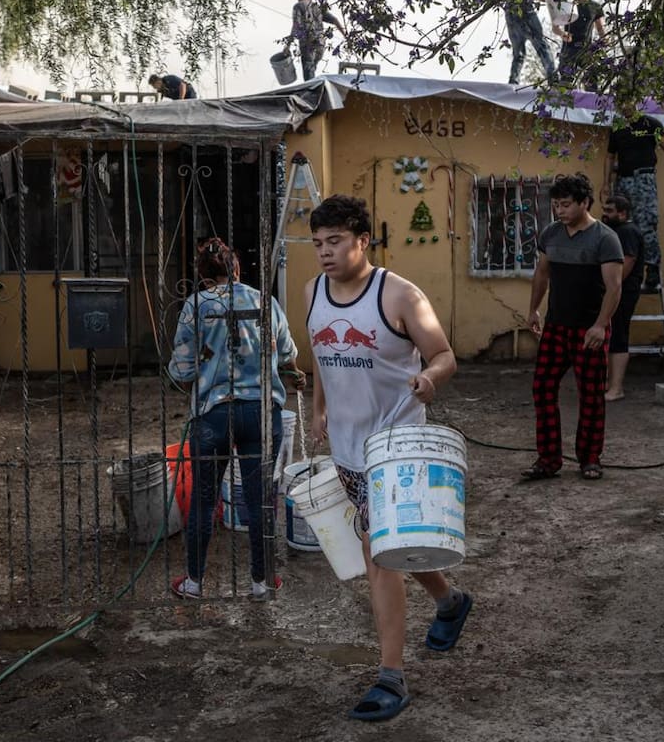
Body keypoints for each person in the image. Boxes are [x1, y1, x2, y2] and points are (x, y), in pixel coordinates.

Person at [305, 195, 471, 722]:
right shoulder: (312, 292)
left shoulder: (398, 294)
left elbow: (444, 354)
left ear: (362, 241)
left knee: (378, 552)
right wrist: (318, 409)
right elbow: (321, 355)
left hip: (396, 448)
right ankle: (450, 602)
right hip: (347, 449)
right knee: (392, 544)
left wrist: (430, 377)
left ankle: (390, 678)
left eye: (335, 242)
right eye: (317, 243)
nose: (325, 252)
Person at [168, 238, 304, 600]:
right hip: (261, 412)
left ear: (202, 277)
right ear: (238, 269)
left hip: (213, 413)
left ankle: (194, 582)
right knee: (260, 500)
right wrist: (291, 372)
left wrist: (205, 375)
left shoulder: (196, 305)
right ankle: (262, 582)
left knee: (203, 500)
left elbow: (182, 371)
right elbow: (287, 354)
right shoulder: (264, 302)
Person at [523, 174, 623, 482]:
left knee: (591, 395)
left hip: (589, 329)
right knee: (542, 387)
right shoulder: (551, 234)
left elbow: (614, 287)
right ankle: (548, 459)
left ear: (584, 203)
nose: (560, 211)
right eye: (556, 205)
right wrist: (533, 309)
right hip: (556, 326)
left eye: (566, 205)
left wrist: (600, 326)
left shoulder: (605, 238)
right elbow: (542, 273)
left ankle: (590, 458)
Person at [600, 107, 664, 292]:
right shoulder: (617, 127)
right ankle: (624, 270)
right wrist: (605, 183)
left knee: (646, 224)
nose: (625, 106)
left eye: (628, 100)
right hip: (623, 180)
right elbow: (609, 156)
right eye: (621, 102)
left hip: (643, 179)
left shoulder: (651, 124)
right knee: (620, 224)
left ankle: (652, 272)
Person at [601, 194, 644, 402]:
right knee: (611, 335)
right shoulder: (617, 231)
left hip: (623, 291)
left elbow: (628, 260)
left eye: (610, 211)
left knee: (618, 334)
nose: (605, 214)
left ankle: (616, 388)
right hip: (615, 290)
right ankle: (610, 385)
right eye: (605, 210)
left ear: (623, 213)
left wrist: (614, 285)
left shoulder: (628, 231)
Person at [504, 0, 557, 84]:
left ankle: (513, 80)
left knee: (518, 52)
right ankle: (553, 77)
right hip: (525, 10)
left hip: (510, 12)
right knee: (542, 46)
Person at [287, 0, 346, 81]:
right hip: (320, 45)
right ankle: (313, 86)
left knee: (308, 72)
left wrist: (288, 45)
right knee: (312, 69)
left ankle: (310, 88)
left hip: (308, 43)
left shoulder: (298, 6)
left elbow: (296, 25)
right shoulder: (317, 7)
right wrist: (346, 35)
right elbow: (335, 20)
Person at [558, 0, 605, 90]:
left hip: (586, 48)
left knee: (592, 81)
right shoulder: (568, 3)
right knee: (566, 82)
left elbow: (600, 27)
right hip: (569, 47)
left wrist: (604, 39)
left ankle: (592, 98)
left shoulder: (595, 6)